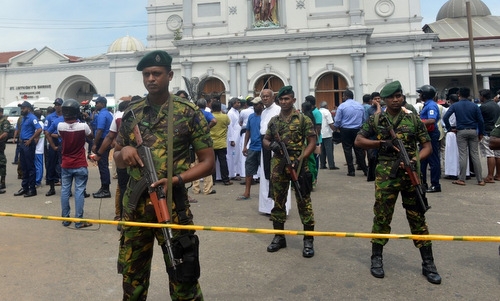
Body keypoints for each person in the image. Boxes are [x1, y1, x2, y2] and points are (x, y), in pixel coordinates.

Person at [114, 50, 214, 300]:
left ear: (169, 75)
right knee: (132, 282)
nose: (150, 78)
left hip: (173, 206)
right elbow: (116, 156)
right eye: (146, 74)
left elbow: (208, 161)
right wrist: (124, 150)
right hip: (136, 210)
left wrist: (176, 180)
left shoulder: (187, 112)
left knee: (184, 279)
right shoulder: (132, 113)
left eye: (156, 74)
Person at [354, 80, 441, 285]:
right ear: (383, 100)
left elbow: (427, 145)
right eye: (392, 97)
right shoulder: (377, 120)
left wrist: (415, 159)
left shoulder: (412, 119)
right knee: (382, 216)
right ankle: (377, 258)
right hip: (386, 178)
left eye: (399, 95)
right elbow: (358, 141)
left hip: (411, 175)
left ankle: (428, 263)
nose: (396, 99)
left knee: (417, 217)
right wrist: (381, 143)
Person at [263, 85, 316, 258]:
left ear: (293, 100)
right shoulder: (274, 121)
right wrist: (272, 145)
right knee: (278, 201)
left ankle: (308, 240)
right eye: (282, 99)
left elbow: (311, 142)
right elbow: (265, 139)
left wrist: (301, 159)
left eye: (287, 99)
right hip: (278, 165)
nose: (284, 102)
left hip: (299, 165)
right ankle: (279, 237)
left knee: (303, 201)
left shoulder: (302, 120)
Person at [94, 98, 134, 223]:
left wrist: (99, 152)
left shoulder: (117, 116)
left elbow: (109, 135)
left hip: (122, 156)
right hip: (139, 157)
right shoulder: (113, 114)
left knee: (122, 187)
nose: (96, 105)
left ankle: (121, 216)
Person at [57, 99, 94, 229]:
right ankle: (79, 220)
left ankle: (65, 219)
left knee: (65, 191)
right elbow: (91, 136)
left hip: (66, 163)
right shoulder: (83, 126)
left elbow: (60, 135)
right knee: (79, 191)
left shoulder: (60, 126)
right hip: (79, 163)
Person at [442, 87, 485, 186]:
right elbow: (481, 121)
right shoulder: (474, 106)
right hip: (473, 130)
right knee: (475, 155)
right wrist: (481, 132)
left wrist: (449, 128)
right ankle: (480, 179)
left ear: (459, 95)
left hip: (461, 131)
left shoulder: (455, 105)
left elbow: (445, 117)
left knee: (463, 155)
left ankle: (462, 179)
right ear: (469, 95)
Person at [333, 89, 367, 177]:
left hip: (346, 130)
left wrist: (335, 127)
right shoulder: (360, 106)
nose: (342, 97)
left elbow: (337, 120)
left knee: (347, 149)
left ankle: (351, 170)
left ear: (346, 96)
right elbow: (363, 119)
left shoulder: (342, 106)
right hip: (357, 129)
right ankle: (365, 169)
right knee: (359, 150)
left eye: (343, 96)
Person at [14, 101, 42, 197]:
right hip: (22, 144)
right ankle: (25, 187)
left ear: (29, 109)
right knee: (23, 167)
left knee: (30, 167)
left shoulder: (32, 118)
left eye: (23, 108)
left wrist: (31, 139)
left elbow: (39, 129)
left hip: (28, 144)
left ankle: (32, 189)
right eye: (21, 108)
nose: (22, 110)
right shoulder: (23, 118)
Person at [417, 84, 442, 193]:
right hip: (425, 134)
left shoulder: (431, 105)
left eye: (421, 93)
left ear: (425, 94)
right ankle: (423, 183)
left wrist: (419, 123)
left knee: (433, 160)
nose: (420, 95)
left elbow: (431, 120)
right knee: (422, 160)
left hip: (431, 134)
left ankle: (435, 184)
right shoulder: (427, 105)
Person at [238, 97, 263, 200]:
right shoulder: (251, 117)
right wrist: (245, 146)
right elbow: (248, 132)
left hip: (263, 148)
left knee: (266, 172)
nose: (255, 106)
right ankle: (247, 192)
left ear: (261, 105)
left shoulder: (265, 116)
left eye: (257, 104)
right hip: (252, 147)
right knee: (249, 171)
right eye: (254, 104)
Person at [192, 98, 217, 196]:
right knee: (207, 164)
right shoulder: (206, 113)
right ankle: (207, 189)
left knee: (194, 165)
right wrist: (207, 129)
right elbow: (214, 121)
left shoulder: (194, 113)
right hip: (205, 143)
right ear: (206, 104)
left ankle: (196, 188)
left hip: (194, 142)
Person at [91, 96, 114, 198]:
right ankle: (104, 187)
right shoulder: (107, 114)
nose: (95, 105)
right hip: (106, 141)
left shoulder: (103, 114)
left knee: (103, 165)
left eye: (97, 103)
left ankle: (105, 190)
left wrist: (95, 144)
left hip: (102, 141)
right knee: (102, 164)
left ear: (102, 104)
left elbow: (99, 130)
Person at [478, 89, 500, 183]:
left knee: (489, 154)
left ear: (483, 96)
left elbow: (480, 121)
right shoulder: (496, 105)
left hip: (487, 132)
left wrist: (480, 133)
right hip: (497, 132)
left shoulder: (483, 107)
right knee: (498, 155)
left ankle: (490, 176)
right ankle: (498, 175)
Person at [210, 100, 233, 185]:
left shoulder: (210, 116)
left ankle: (212, 180)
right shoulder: (225, 116)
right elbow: (228, 124)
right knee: (223, 162)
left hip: (212, 143)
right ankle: (226, 180)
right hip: (222, 142)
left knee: (212, 163)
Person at [44, 98, 63, 196]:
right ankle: (51, 187)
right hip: (52, 141)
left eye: (59, 104)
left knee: (63, 165)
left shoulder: (65, 117)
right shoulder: (50, 117)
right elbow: (46, 131)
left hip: (62, 142)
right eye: (56, 104)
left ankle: (65, 187)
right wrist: (55, 136)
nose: (57, 106)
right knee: (51, 164)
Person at [318, 101, 338, 170]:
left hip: (320, 133)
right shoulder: (327, 112)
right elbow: (330, 122)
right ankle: (331, 165)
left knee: (322, 150)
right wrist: (335, 129)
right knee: (329, 150)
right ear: (326, 106)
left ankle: (322, 164)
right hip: (327, 134)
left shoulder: (318, 111)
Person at [227, 97, 242, 180]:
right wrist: (231, 139)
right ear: (233, 104)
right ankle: (232, 173)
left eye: (239, 103)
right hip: (233, 136)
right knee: (232, 155)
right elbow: (230, 127)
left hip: (237, 135)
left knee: (237, 155)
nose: (239, 104)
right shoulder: (230, 113)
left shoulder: (237, 112)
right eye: (237, 103)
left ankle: (237, 172)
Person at [33, 110, 45, 188]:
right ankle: (38, 180)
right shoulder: (42, 124)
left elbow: (36, 137)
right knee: (40, 165)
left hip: (37, 148)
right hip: (41, 148)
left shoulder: (37, 125)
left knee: (37, 165)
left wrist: (33, 145)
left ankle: (37, 181)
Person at [0, 107, 10, 193]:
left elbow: (5, 133)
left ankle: (2, 182)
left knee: (2, 162)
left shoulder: (5, 121)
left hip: (0, 144)